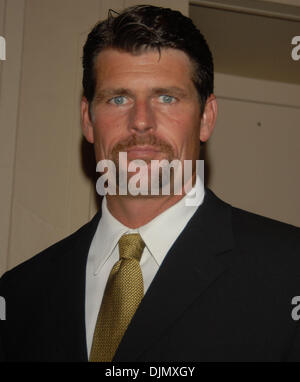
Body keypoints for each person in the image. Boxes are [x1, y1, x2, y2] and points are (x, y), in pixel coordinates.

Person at [0, 4, 300, 362]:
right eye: (119, 98)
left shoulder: (289, 273)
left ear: (206, 118)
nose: (141, 122)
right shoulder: (18, 295)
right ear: (88, 120)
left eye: (167, 97)